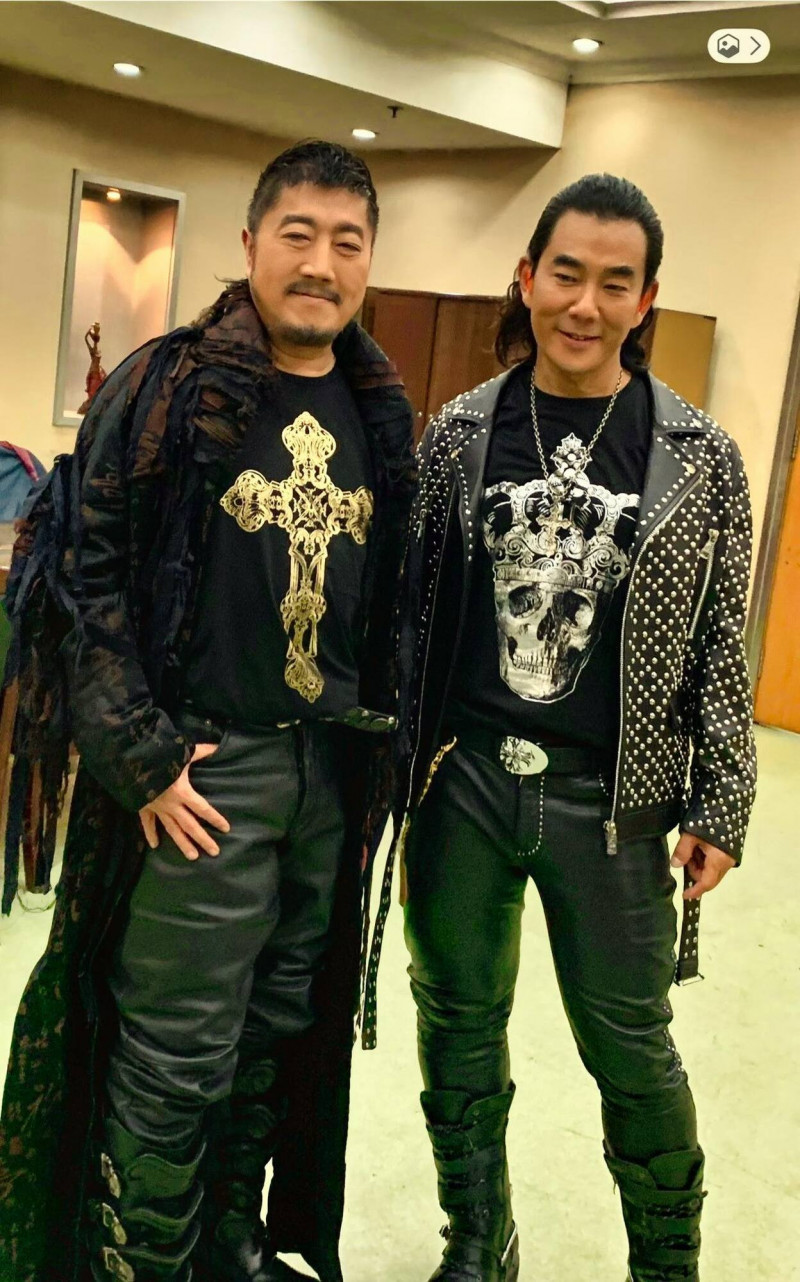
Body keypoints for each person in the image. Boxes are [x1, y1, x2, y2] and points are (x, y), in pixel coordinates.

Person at [0, 140, 415, 1282]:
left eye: (346, 242)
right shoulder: (163, 389)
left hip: (327, 775)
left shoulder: (383, 414)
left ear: (369, 261)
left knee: (276, 1028)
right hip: (204, 775)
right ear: (250, 244)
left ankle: (228, 1240)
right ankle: (141, 1260)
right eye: (298, 234)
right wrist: (141, 753)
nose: (321, 263)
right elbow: (80, 579)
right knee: (175, 1049)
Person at [390, 173, 756, 1282]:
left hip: (612, 800)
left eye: (613, 282)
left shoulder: (699, 456)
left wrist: (722, 799)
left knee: (632, 1050)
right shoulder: (458, 434)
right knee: (455, 1024)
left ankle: (665, 1267)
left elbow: (720, 642)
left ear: (646, 300)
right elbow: (409, 617)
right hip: (461, 782)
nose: (583, 305)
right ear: (526, 278)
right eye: (565, 274)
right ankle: (477, 1240)